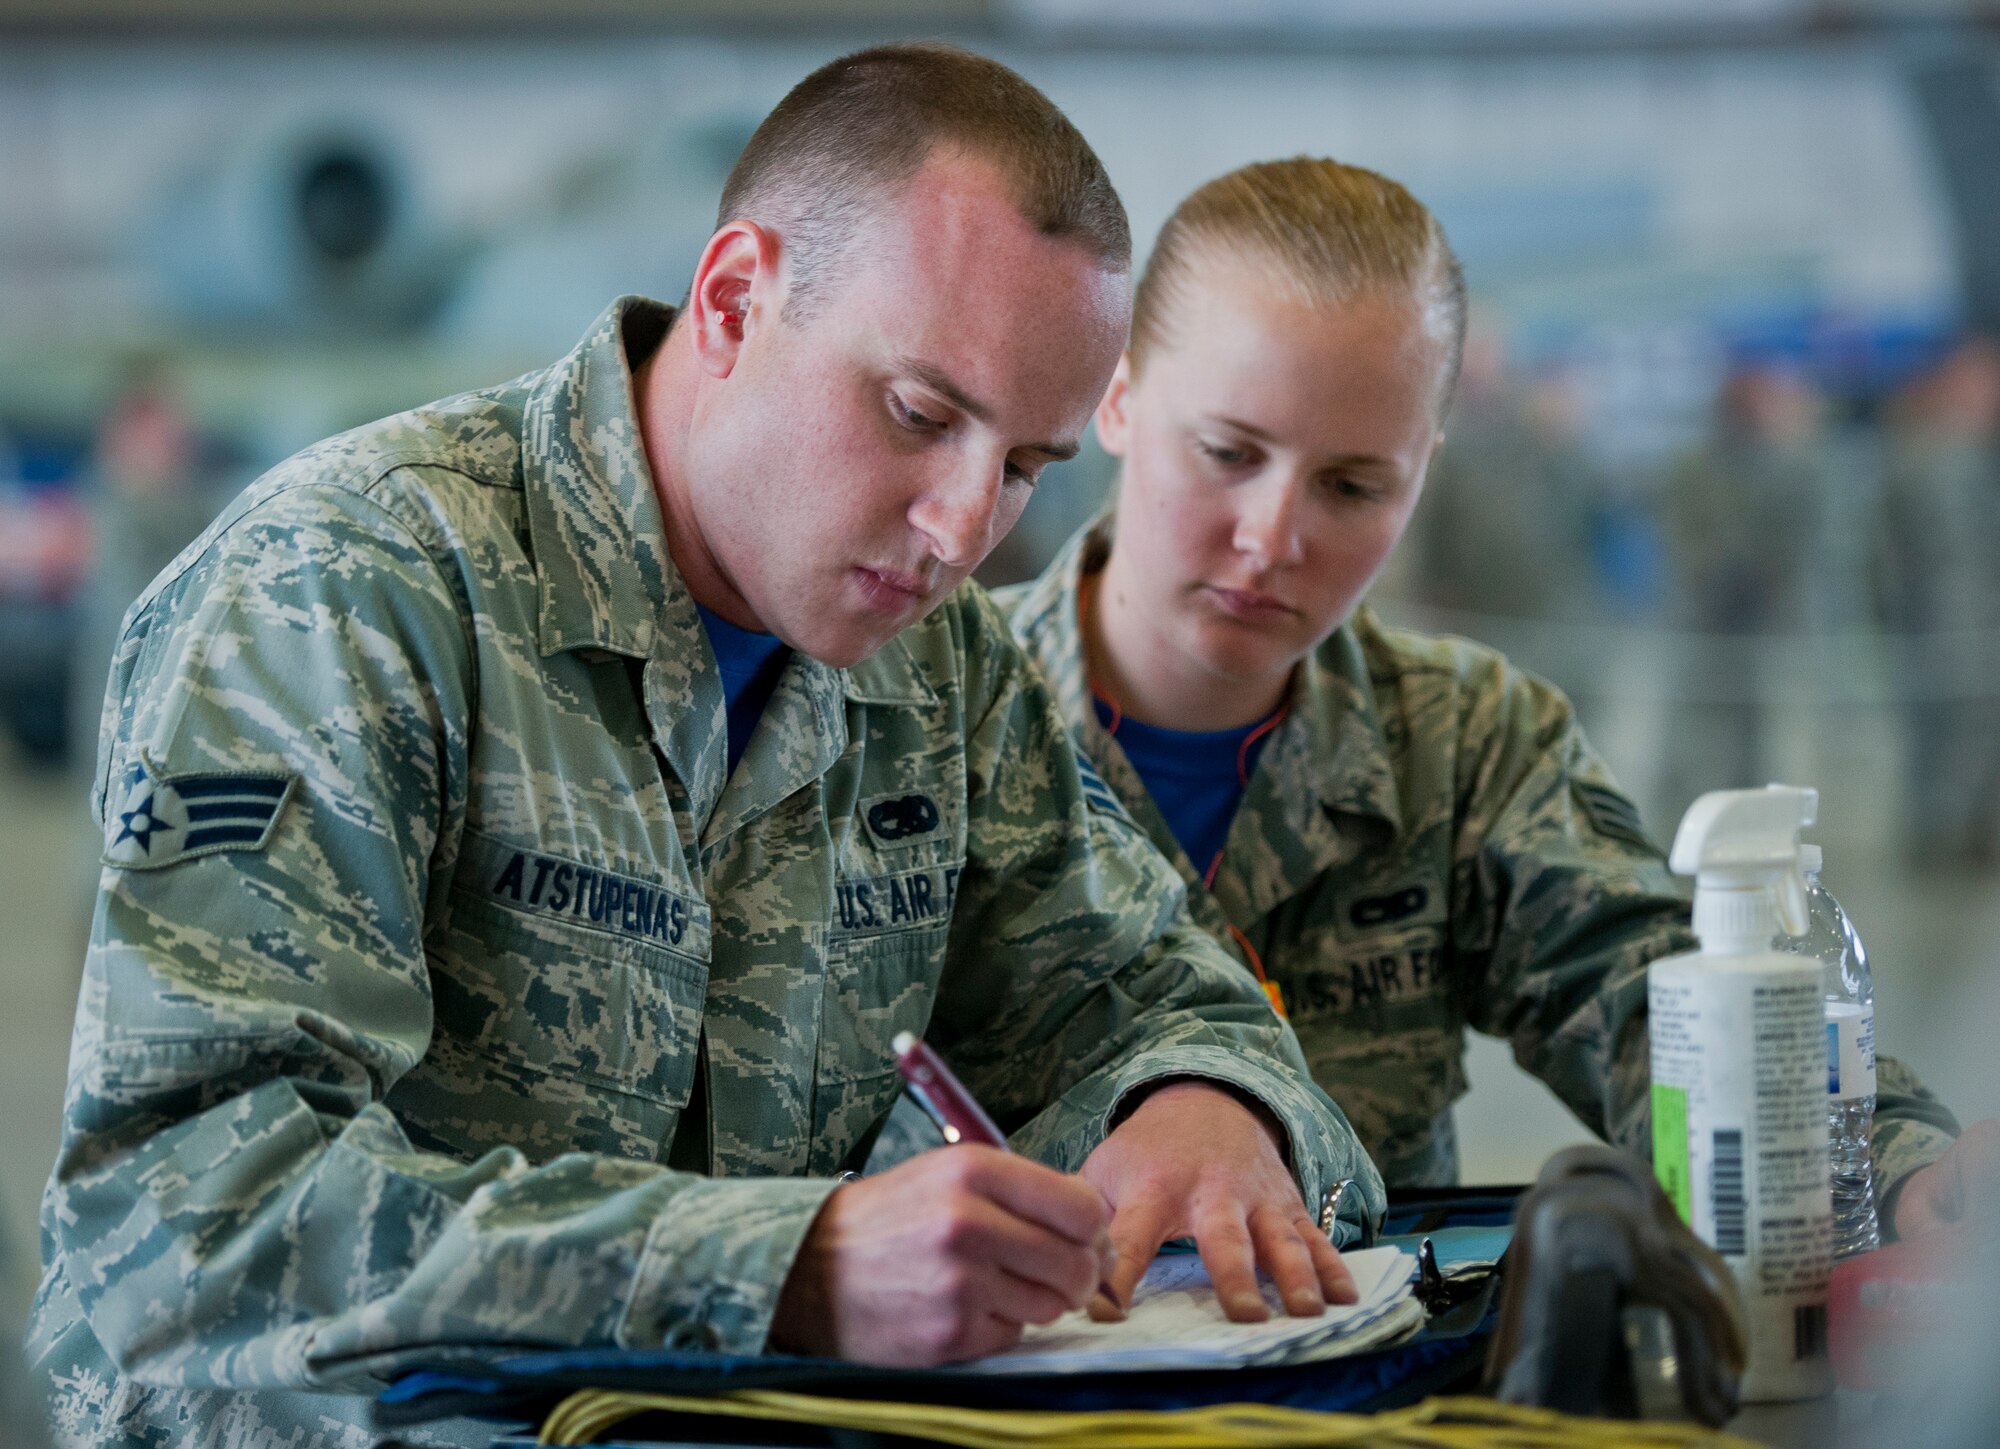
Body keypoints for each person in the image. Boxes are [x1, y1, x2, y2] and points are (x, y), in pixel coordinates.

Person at [28, 51, 1378, 1449]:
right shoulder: (349, 591)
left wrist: (1213, 1104)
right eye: (920, 414)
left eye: (1028, 464)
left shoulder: (943, 669)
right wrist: (777, 1267)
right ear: (734, 301)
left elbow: (1158, 988)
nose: (964, 526)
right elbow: (182, 1222)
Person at [986, 156, 1981, 1224]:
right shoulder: (938, 716)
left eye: (1353, 486)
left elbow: (1659, 1003)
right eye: (1227, 452)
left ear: (1424, 469)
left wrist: (1916, 1179)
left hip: (1380, 1375)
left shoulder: (1460, 743)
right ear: (1121, 400)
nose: (1271, 537)